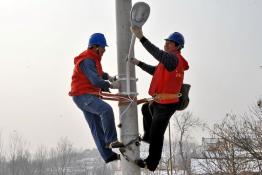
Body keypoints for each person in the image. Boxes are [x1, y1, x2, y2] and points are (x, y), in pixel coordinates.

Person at [130, 26, 189, 171]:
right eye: (167, 41)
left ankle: (151, 163)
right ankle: (148, 137)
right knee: (146, 108)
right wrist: (138, 63)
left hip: (167, 104)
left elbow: (157, 53)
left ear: (178, 47)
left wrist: (141, 38)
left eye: (170, 42)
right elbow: (154, 71)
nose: (166, 43)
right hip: (159, 101)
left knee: (157, 134)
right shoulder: (167, 62)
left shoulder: (174, 59)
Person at [69, 33, 124, 163]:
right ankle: (111, 140)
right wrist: (111, 85)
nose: (104, 50)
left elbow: (97, 74)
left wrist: (108, 76)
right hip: (84, 96)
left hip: (83, 96)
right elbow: (94, 80)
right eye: (103, 47)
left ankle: (108, 155)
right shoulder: (88, 60)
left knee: (96, 126)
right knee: (106, 110)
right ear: (95, 47)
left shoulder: (93, 59)